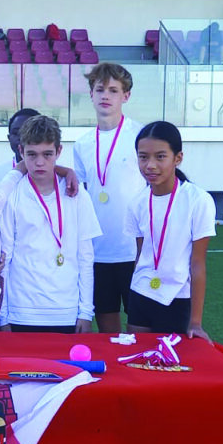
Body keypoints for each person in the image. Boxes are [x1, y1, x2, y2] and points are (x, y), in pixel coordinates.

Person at [0, 115, 101, 333]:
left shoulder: (77, 194)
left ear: (59, 151)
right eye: (32, 154)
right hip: (22, 310)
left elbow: (85, 257)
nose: (39, 162)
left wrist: (85, 312)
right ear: (20, 151)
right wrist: (3, 315)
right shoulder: (12, 194)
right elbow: (5, 257)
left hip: (66, 311)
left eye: (47, 154)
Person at [123, 121, 216, 341]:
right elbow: (141, 255)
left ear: (178, 158)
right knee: (138, 356)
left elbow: (197, 263)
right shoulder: (137, 203)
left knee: (171, 360)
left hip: (177, 298)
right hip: (141, 293)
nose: (150, 165)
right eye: (143, 157)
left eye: (160, 157)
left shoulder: (198, 200)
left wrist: (195, 322)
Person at [71, 62, 144, 334]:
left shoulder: (140, 136)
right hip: (98, 250)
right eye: (100, 89)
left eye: (113, 90)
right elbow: (82, 192)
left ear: (126, 96)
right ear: (91, 94)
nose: (105, 96)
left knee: (140, 326)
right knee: (108, 329)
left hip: (135, 249)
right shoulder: (83, 144)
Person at [0, 107, 38, 179]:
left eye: (29, 132)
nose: (22, 138)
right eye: (16, 133)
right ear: (9, 138)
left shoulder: (55, 175)